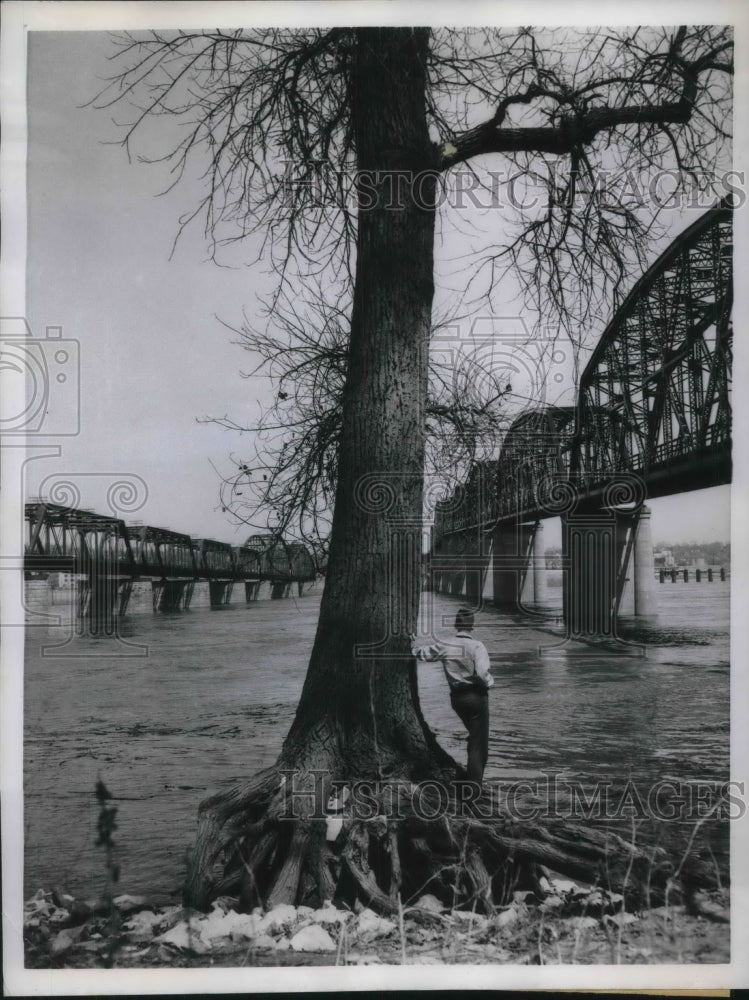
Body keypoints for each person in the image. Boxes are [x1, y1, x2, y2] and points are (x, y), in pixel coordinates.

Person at [411, 608, 493, 785]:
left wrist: (412, 644)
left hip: (457, 699)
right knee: (479, 747)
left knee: (473, 736)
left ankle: (470, 777)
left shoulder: (445, 644)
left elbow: (422, 654)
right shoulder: (477, 646)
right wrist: (489, 682)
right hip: (476, 698)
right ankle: (474, 790)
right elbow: (481, 674)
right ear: (472, 625)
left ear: (456, 625)